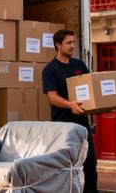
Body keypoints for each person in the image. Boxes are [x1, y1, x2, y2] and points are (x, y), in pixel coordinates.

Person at [41, 29, 98, 193]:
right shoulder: (50, 70)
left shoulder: (79, 65)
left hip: (83, 128)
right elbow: (52, 97)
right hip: (63, 129)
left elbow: (90, 89)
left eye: (73, 42)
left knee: (90, 165)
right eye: (68, 43)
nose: (72, 46)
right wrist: (70, 105)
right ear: (58, 45)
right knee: (67, 168)